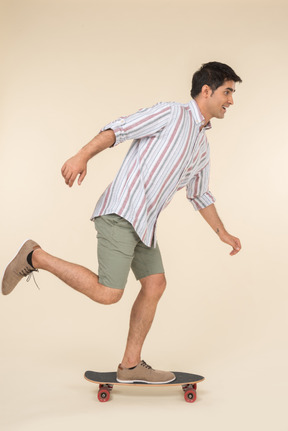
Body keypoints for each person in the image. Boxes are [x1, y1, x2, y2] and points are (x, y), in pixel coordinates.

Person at [2, 61, 242, 384]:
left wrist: (223, 232)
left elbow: (200, 194)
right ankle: (34, 256)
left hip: (144, 225)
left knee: (155, 284)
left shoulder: (201, 145)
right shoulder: (172, 114)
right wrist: (82, 155)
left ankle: (130, 365)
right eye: (227, 92)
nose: (230, 100)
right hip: (122, 211)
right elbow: (121, 128)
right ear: (206, 90)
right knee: (109, 292)